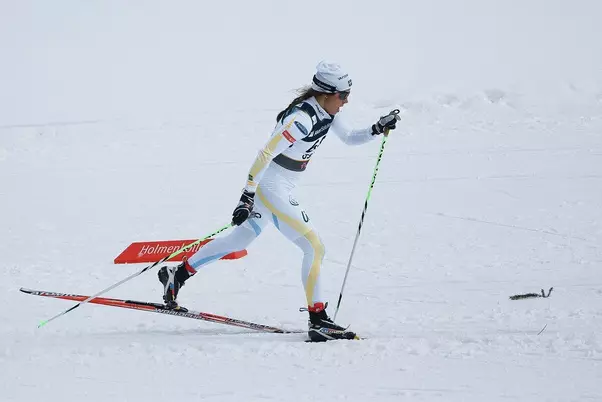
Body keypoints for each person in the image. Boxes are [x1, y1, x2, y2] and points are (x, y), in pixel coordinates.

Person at [158, 61, 400, 342]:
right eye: (343, 96)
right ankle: (318, 319)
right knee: (314, 247)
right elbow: (265, 154)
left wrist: (376, 128)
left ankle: (177, 274)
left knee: (240, 240)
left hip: (284, 185)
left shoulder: (327, 112)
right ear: (326, 93)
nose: (346, 101)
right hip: (272, 186)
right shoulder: (300, 119)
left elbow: (349, 137)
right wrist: (247, 195)